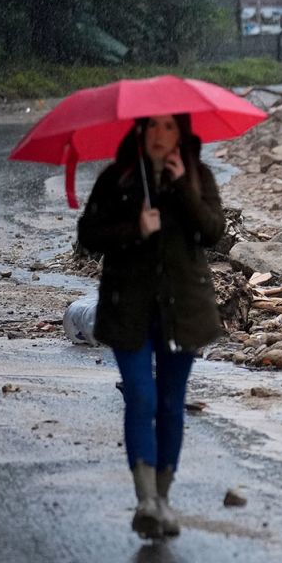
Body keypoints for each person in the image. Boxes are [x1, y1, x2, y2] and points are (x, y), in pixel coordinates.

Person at [78, 114, 226, 539]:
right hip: (129, 308)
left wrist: (183, 190)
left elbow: (213, 232)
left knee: (169, 402)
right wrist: (134, 229)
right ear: (139, 132)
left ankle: (163, 501)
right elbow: (88, 235)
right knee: (141, 397)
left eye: (168, 127)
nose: (159, 136)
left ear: (181, 133)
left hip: (184, 311)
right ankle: (145, 500)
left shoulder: (198, 176)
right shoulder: (117, 178)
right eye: (151, 127)